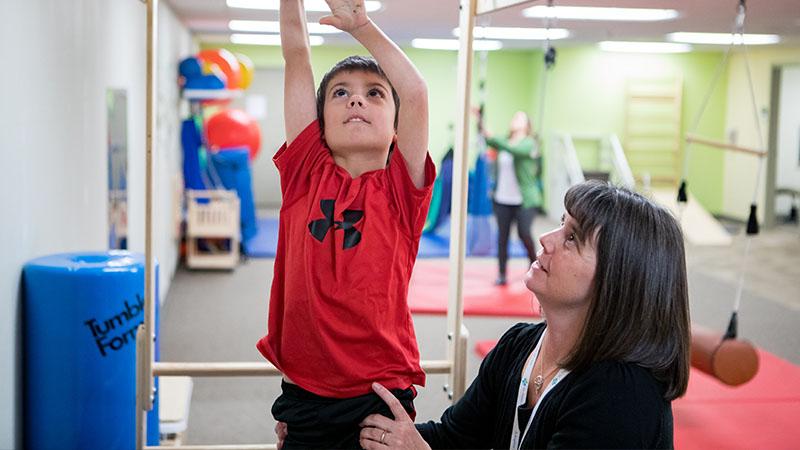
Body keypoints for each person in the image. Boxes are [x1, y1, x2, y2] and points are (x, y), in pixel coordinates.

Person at [357, 180, 691, 449]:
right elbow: (456, 437)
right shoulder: (519, 345)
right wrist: (378, 430)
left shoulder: (621, 397)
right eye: (561, 224)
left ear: (617, 278)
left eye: (572, 238)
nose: (546, 239)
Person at [256, 0, 435, 448]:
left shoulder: (401, 189)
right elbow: (297, 53)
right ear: (320, 124)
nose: (356, 98)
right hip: (305, 391)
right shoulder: (305, 172)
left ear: (396, 127)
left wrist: (362, 26)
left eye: (375, 93)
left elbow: (415, 93)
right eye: (340, 93)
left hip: (377, 395)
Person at [481, 111, 543, 285]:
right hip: (502, 199)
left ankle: (535, 266)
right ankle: (502, 274)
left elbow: (512, 149)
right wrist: (480, 119)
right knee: (502, 237)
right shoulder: (504, 143)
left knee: (524, 233)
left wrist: (494, 139)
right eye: (513, 116)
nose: (515, 118)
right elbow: (489, 140)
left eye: (520, 117)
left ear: (527, 125)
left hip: (525, 200)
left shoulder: (529, 143)